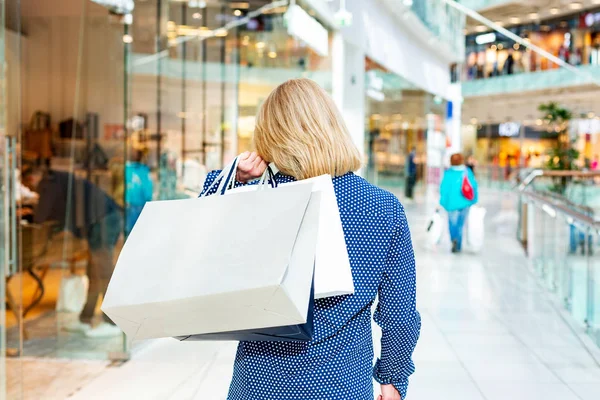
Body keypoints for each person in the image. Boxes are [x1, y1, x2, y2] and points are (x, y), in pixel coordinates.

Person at [200, 79, 421, 400]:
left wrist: (230, 178)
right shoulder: (382, 207)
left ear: (270, 136)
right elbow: (399, 311)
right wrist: (393, 378)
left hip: (260, 382)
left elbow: (199, 233)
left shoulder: (256, 200)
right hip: (341, 383)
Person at [30, 165, 123, 337]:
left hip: (103, 220)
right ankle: (85, 319)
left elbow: (40, 215)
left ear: (33, 177)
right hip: (104, 218)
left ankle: (112, 322)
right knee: (94, 272)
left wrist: (31, 209)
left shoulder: (49, 182)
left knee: (103, 272)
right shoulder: (58, 179)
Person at [440, 153, 479, 253]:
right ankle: (458, 245)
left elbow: (444, 189)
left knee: (452, 224)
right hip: (465, 203)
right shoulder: (467, 171)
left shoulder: (448, 173)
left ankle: (454, 240)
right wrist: (474, 200)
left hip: (451, 204)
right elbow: (473, 186)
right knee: (460, 225)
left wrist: (443, 202)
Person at [124, 148, 153, 236]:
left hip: (130, 203)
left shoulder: (127, 169)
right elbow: (147, 188)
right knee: (140, 232)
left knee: (130, 232)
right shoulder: (144, 170)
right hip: (140, 204)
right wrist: (149, 199)